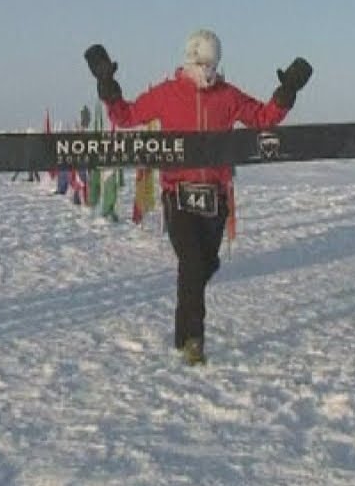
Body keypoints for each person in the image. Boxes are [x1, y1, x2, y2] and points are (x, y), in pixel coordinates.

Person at [83, 29, 312, 366]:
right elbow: (125, 116)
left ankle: (181, 332)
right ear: (189, 60)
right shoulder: (167, 94)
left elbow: (263, 118)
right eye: (203, 63)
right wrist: (107, 84)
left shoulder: (227, 95)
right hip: (178, 195)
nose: (208, 71)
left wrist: (287, 90)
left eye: (213, 64)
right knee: (191, 264)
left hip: (215, 198)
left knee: (204, 265)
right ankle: (193, 340)